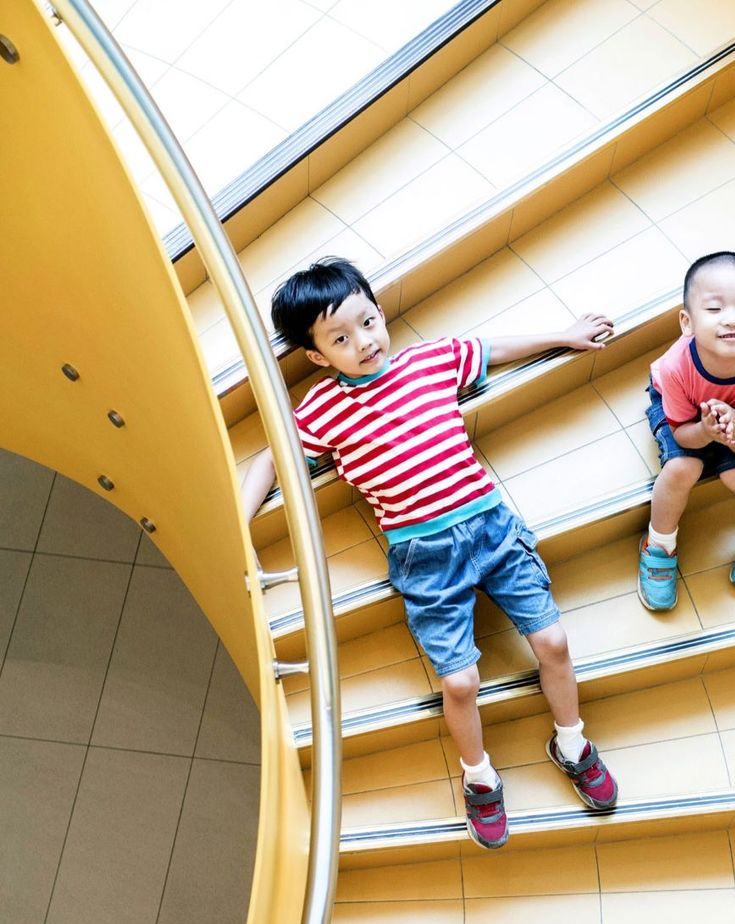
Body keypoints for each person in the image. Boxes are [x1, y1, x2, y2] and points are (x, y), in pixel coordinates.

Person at [240, 257, 618, 849]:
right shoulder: (320, 410)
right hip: (424, 556)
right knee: (461, 682)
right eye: (341, 339)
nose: (364, 342)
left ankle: (572, 742)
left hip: (490, 528)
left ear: (379, 311)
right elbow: (272, 457)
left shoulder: (427, 362)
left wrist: (565, 334)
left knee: (553, 641)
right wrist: (241, 520)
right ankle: (479, 778)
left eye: (368, 322)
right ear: (317, 356)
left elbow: (489, 348)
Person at [638, 251, 735, 611]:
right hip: (684, 416)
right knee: (681, 468)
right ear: (687, 322)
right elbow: (681, 435)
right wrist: (706, 431)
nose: (732, 320)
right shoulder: (676, 368)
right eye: (715, 309)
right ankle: (659, 544)